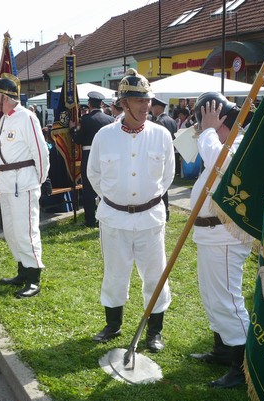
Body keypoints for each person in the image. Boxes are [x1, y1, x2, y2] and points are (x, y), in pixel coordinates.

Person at [87, 69, 175, 353]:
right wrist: (116, 201)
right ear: (124, 104)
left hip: (150, 218)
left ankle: (154, 331)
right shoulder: (105, 136)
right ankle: (113, 325)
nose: (146, 106)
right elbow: (94, 175)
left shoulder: (161, 135)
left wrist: (145, 201)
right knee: (115, 273)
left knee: (155, 274)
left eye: (148, 100)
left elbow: (168, 176)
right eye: (139, 101)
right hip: (114, 218)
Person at [188, 92, 253, 388]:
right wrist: (206, 132)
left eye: (205, 121)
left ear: (219, 118)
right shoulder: (220, 142)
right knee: (212, 297)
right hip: (209, 234)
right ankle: (223, 349)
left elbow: (219, 163)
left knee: (228, 300)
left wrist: (209, 130)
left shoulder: (239, 144)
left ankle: (244, 368)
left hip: (225, 235)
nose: (202, 128)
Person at [0, 74, 50, 298]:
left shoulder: (26, 117)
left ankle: (34, 277)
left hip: (23, 181)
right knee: (12, 231)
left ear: (6, 97)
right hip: (6, 181)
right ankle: (22, 270)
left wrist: (40, 180)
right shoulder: (6, 118)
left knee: (26, 230)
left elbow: (40, 151)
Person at [70, 91, 114, 228]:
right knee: (105, 186)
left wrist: (72, 130)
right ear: (101, 104)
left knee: (88, 187)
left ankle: (90, 219)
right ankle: (106, 216)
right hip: (106, 156)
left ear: (89, 104)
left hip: (89, 154)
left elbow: (78, 139)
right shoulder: (110, 120)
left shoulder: (86, 119)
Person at [151, 97, 178, 221]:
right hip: (170, 152)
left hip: (159, 155)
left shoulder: (160, 121)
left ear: (158, 108)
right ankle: (165, 210)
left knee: (161, 185)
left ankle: (164, 210)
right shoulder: (171, 120)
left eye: (152, 107)